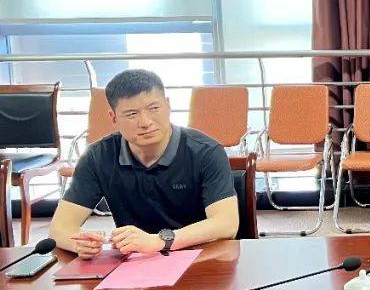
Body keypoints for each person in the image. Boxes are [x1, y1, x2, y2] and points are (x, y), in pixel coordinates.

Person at [49, 69, 239, 259]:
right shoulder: (97, 157)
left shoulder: (206, 151)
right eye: (132, 114)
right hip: (136, 262)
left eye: (154, 108)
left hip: (201, 258)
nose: (146, 122)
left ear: (168, 105)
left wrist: (160, 241)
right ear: (113, 118)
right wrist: (79, 243)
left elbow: (226, 223)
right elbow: (59, 229)